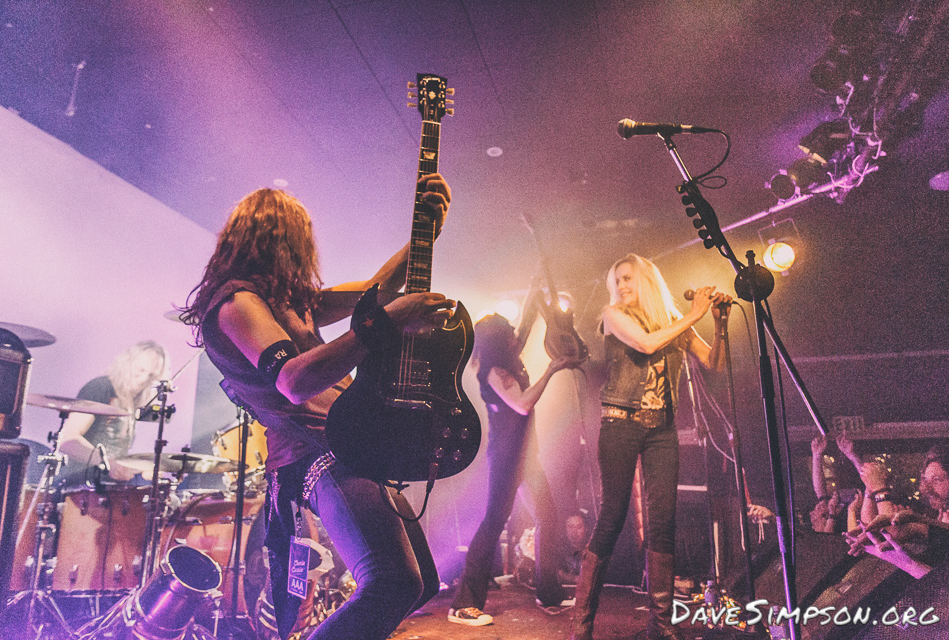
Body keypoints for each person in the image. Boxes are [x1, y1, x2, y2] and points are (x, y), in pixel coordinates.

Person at [180, 176, 454, 640]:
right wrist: (384, 325)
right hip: (315, 451)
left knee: (420, 584)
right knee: (392, 582)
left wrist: (426, 235)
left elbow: (373, 293)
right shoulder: (237, 304)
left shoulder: (289, 303)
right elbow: (294, 381)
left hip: (348, 442)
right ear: (279, 241)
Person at [571, 253, 731, 640]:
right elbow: (645, 344)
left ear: (645, 279)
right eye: (617, 281)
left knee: (663, 523)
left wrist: (719, 322)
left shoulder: (673, 321)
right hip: (620, 423)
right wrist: (694, 314)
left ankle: (660, 625)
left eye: (628, 278)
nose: (621, 286)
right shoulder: (613, 315)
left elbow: (714, 362)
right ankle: (581, 624)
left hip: (662, 428)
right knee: (612, 517)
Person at [448, 307, 582, 626]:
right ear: (497, 340)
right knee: (494, 521)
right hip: (507, 457)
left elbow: (523, 327)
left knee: (547, 517)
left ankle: (548, 592)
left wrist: (536, 297)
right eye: (507, 331)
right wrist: (551, 369)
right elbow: (522, 404)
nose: (514, 333)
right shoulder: (494, 370)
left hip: (526, 456)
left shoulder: (508, 360)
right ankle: (464, 603)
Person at [57, 340, 170, 484]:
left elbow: (117, 456)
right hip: (83, 485)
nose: (144, 379)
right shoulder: (100, 387)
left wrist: (142, 470)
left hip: (111, 488)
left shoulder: (132, 401)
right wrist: (108, 463)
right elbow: (68, 440)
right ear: (127, 363)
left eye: (151, 375)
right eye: (140, 370)